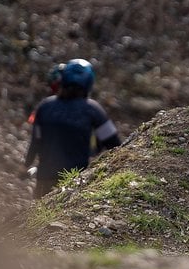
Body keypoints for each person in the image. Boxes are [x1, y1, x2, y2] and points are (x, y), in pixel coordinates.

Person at [24, 58, 121, 198]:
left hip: (45, 177)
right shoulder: (93, 110)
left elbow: (35, 142)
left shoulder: (45, 106)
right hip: (75, 180)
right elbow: (114, 143)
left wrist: (25, 165)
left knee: (38, 215)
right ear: (89, 83)